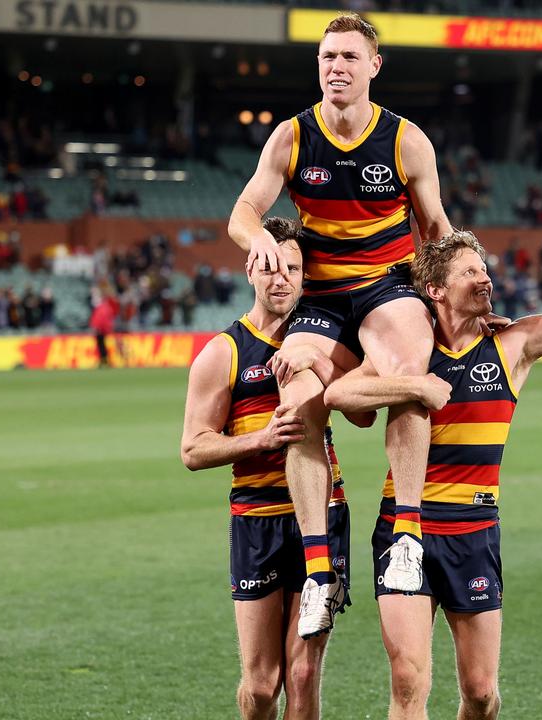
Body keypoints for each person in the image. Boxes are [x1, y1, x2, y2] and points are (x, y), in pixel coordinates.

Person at [308, 230, 542, 719]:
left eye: (485, 269)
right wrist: (415, 385)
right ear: (435, 290)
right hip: (404, 529)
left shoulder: (512, 345)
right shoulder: (406, 354)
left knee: (480, 692)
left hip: (474, 531)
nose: (485, 278)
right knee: (408, 679)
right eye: (470, 272)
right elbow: (340, 396)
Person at [227, 11, 452, 638]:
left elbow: (436, 230)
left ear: (374, 67)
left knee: (410, 376)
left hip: (388, 286)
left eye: (350, 58)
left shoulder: (406, 140)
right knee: (294, 393)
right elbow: (244, 210)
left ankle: (406, 537)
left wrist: (458, 292)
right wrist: (260, 242)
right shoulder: (291, 137)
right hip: (320, 298)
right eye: (328, 57)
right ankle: (320, 573)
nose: (337, 68)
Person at [180, 218, 368, 720]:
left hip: (324, 516)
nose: (280, 277)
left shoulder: (326, 336)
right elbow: (194, 449)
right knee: (262, 687)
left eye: (292, 268)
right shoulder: (224, 353)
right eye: (270, 266)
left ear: (306, 277)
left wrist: (322, 364)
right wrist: (261, 439)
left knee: (304, 677)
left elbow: (364, 413)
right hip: (257, 518)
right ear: (250, 269)